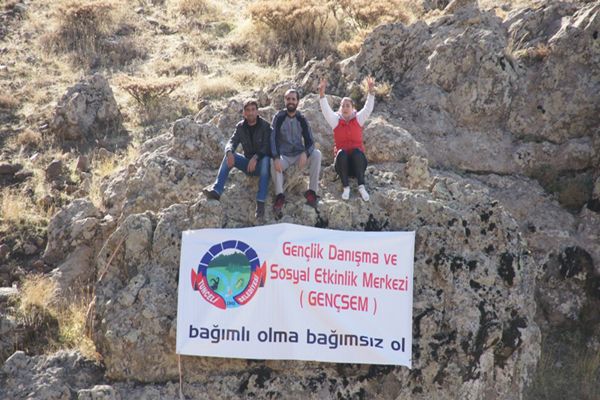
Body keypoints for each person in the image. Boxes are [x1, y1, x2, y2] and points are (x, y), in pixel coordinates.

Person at [203, 99, 271, 220]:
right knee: (229, 156)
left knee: (266, 160)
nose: (250, 113)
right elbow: (232, 142)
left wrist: (256, 157)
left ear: (257, 111)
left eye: (253, 110)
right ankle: (217, 190)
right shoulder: (240, 127)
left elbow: (268, 146)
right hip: (247, 164)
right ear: (244, 113)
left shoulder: (265, 126)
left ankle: (260, 203)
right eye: (248, 110)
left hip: (261, 164)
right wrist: (229, 152)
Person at [318, 77, 375, 201]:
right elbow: (326, 111)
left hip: (358, 165)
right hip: (342, 166)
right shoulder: (335, 121)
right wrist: (322, 94)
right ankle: (346, 187)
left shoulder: (359, 119)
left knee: (356, 152)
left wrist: (371, 92)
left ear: (352, 108)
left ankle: (361, 186)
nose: (344, 108)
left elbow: (368, 108)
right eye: (342, 106)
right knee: (342, 153)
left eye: (347, 105)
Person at [270, 88, 322, 216]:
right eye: (288, 99)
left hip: (299, 156)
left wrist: (305, 153)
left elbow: (310, 142)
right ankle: (280, 196)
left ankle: (312, 192)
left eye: (293, 99)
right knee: (272, 161)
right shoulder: (279, 117)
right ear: (285, 101)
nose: (291, 101)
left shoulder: (302, 119)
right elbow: (273, 139)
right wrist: (276, 157)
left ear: (298, 102)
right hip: (284, 156)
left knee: (317, 154)